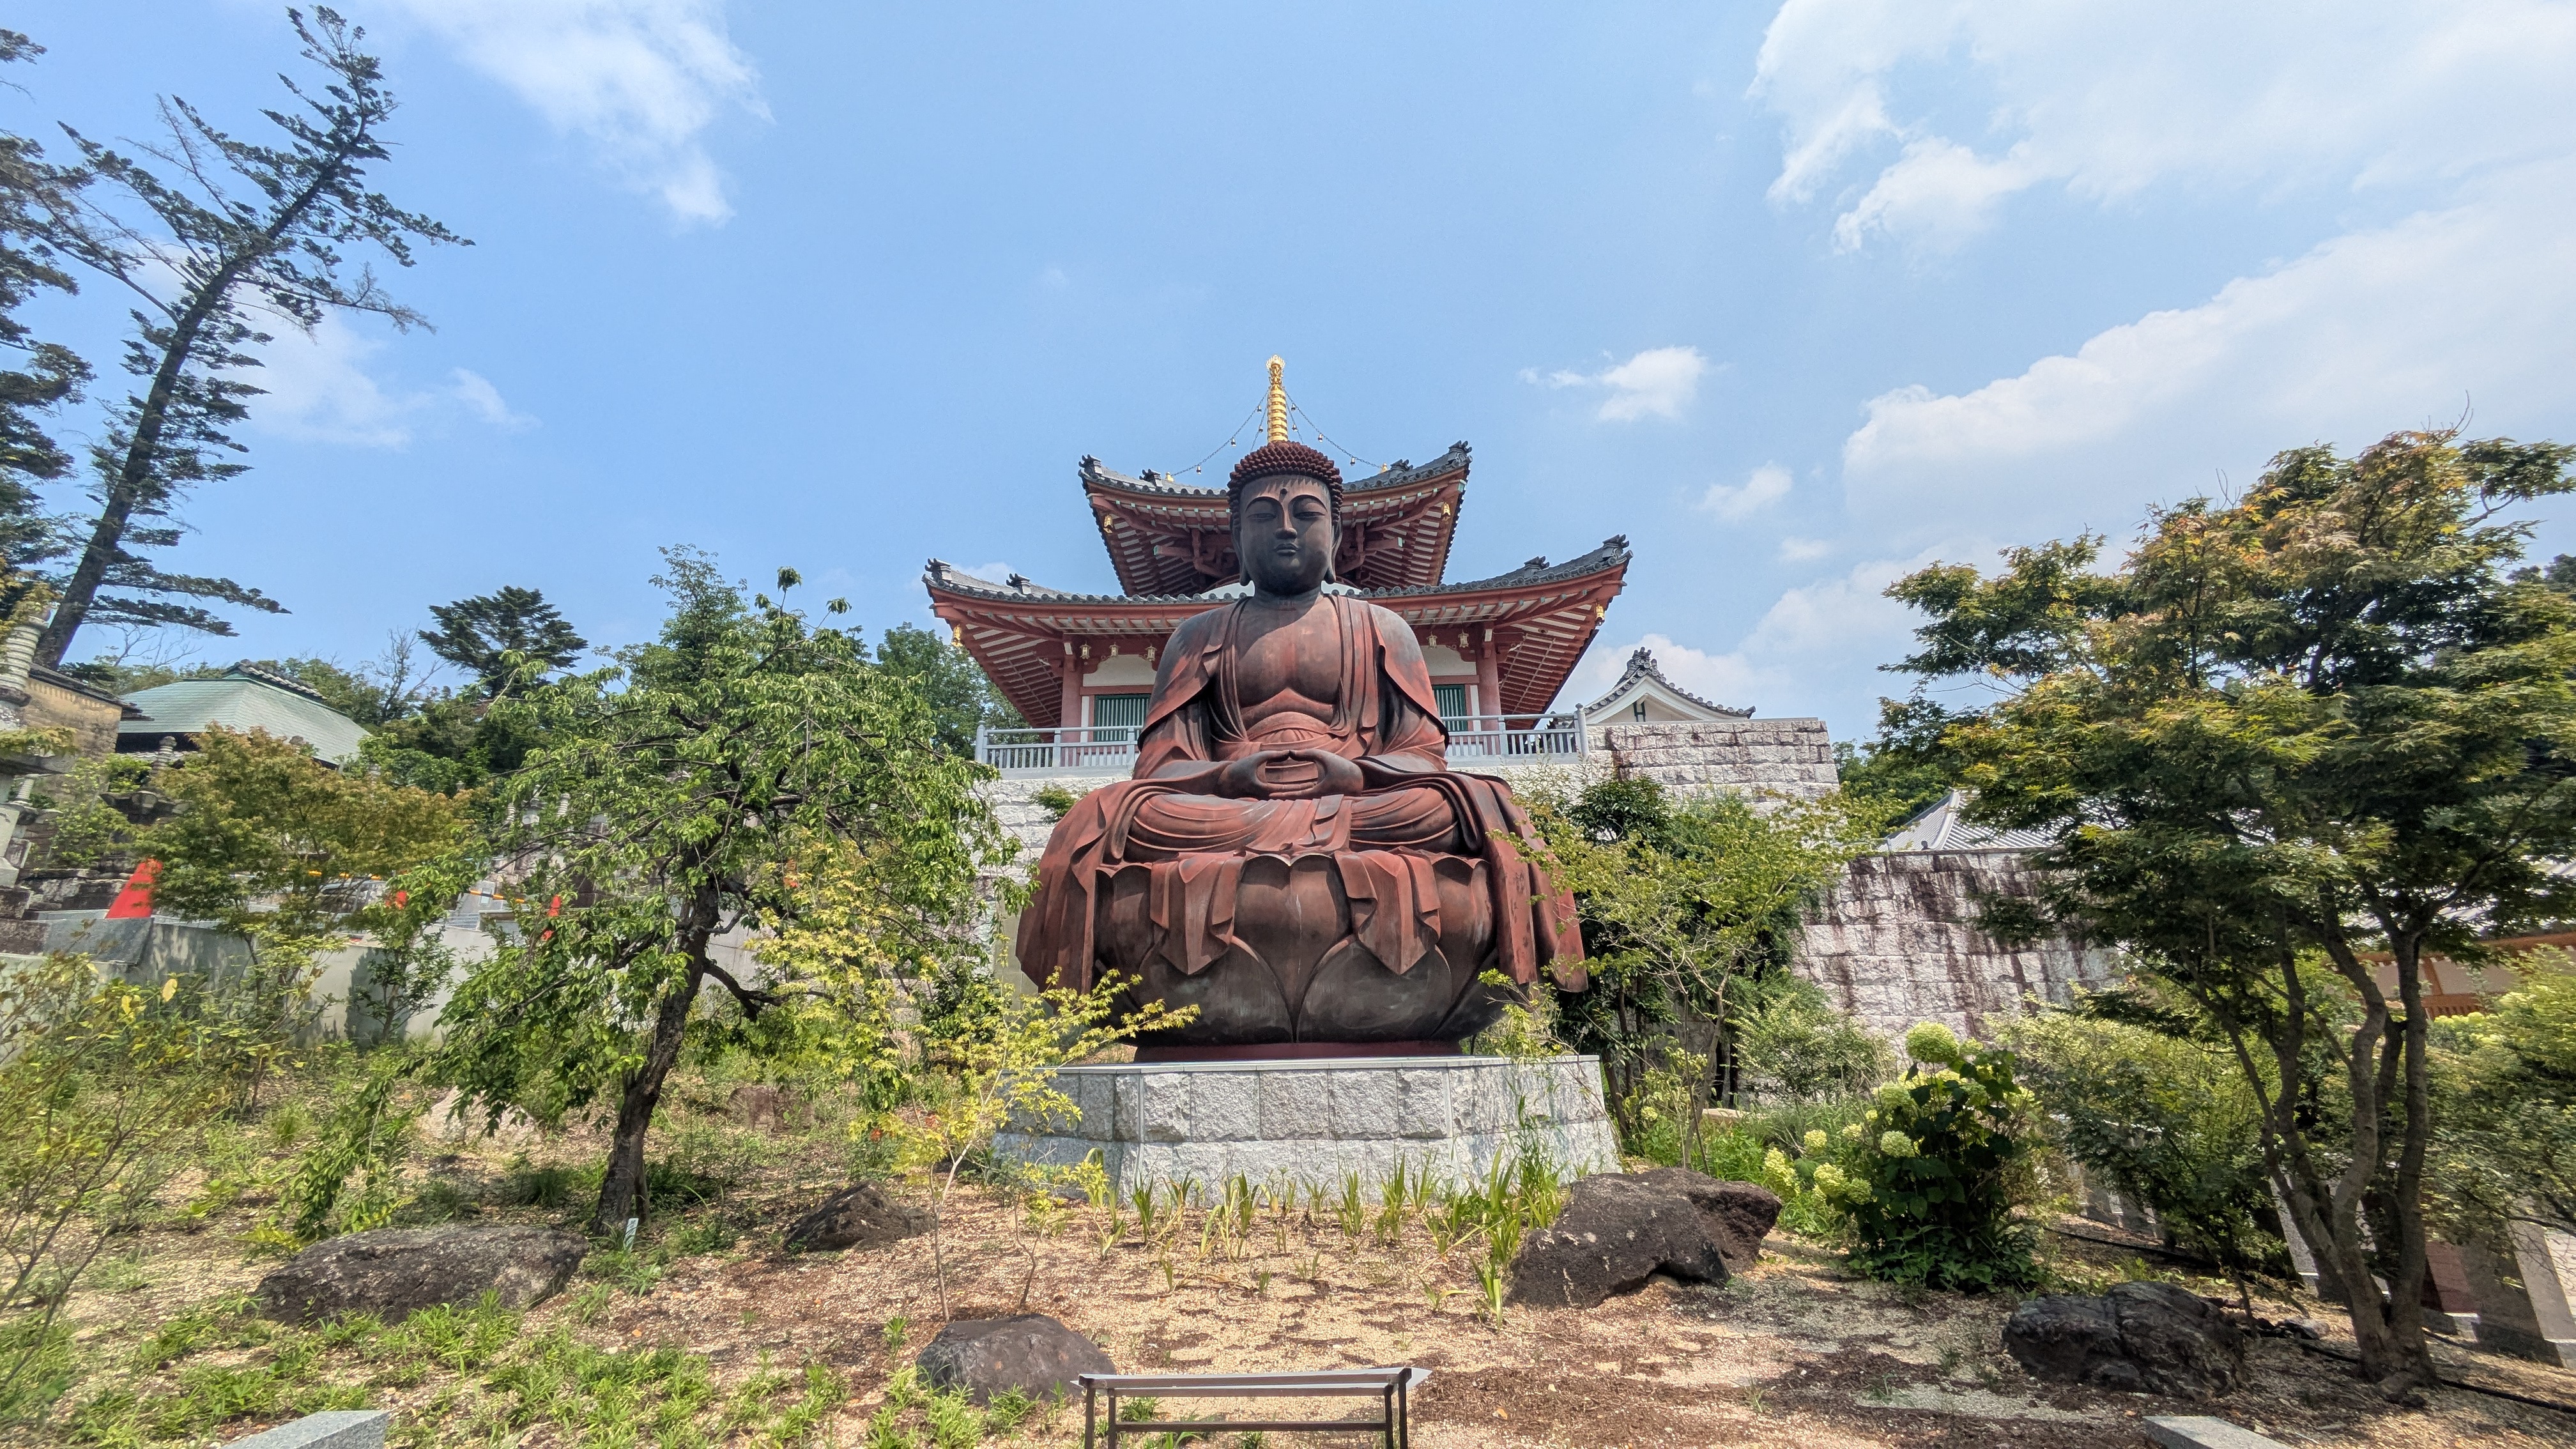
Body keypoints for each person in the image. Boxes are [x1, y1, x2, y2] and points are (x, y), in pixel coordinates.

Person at [1016, 440, 1583, 1052]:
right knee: (1109, 813)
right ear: (1237, 538)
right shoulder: (1198, 635)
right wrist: (1227, 778)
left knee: (1463, 804)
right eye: (1263, 516)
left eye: (1306, 514)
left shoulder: (1382, 628)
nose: (1286, 528)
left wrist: (1356, 773)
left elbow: (1423, 754)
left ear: (1336, 534)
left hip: (1358, 802)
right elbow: (1161, 764)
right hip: (1231, 808)